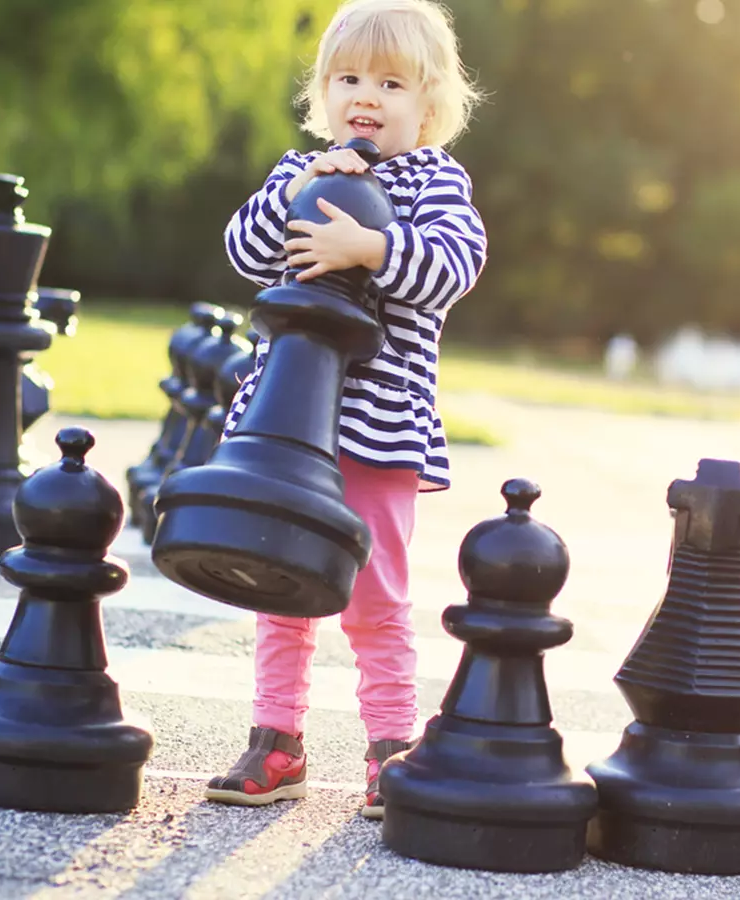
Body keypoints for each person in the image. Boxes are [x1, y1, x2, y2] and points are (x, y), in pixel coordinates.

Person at [204, 0, 486, 818]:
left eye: (391, 81)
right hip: (285, 430)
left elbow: (456, 265)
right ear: (322, 92)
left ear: (428, 104)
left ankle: (391, 746)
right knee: (277, 584)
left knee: (376, 598)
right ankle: (277, 741)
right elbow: (244, 251)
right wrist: (301, 186)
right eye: (349, 77)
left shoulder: (435, 179)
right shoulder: (301, 173)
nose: (367, 94)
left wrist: (374, 249)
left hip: (379, 430)